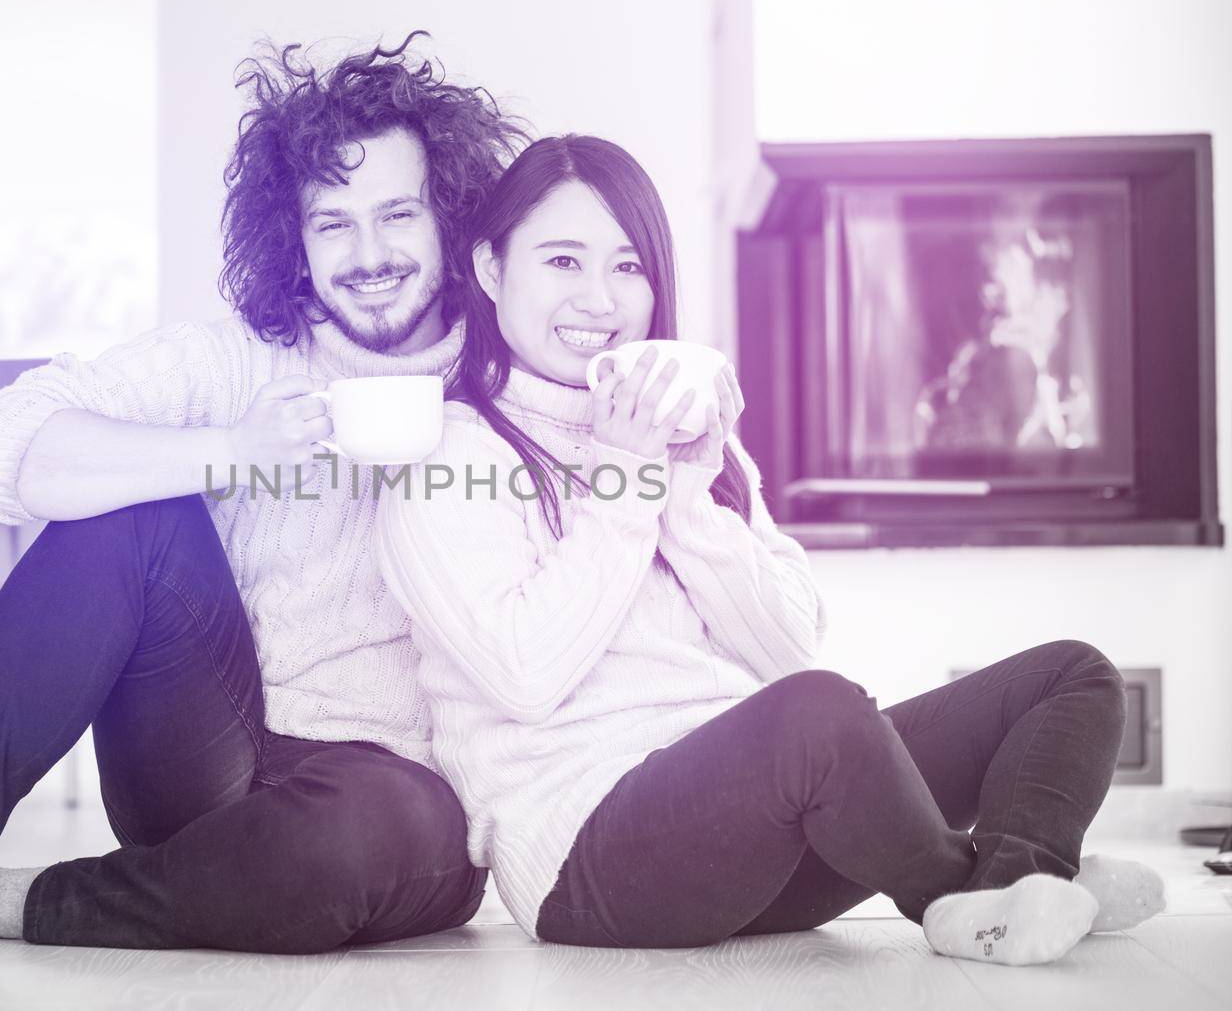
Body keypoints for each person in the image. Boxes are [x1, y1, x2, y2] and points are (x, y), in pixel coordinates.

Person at [0, 33, 528, 963]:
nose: (369, 253)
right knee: (132, 508)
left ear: (451, 219)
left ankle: (8, 900)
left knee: (351, 842)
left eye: (398, 214)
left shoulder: (505, 375)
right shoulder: (239, 357)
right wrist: (228, 451)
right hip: (206, 750)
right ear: (295, 240)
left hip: (392, 794)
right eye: (333, 222)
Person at [373, 135, 1165, 964]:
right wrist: (625, 483)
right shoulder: (446, 459)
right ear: (493, 271)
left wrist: (685, 497)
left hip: (767, 826)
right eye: (563, 261)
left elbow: (788, 648)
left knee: (1072, 675)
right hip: (593, 860)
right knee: (821, 714)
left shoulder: (683, 440)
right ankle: (971, 895)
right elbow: (526, 677)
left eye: (628, 266)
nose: (599, 299)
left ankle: (1022, 881)